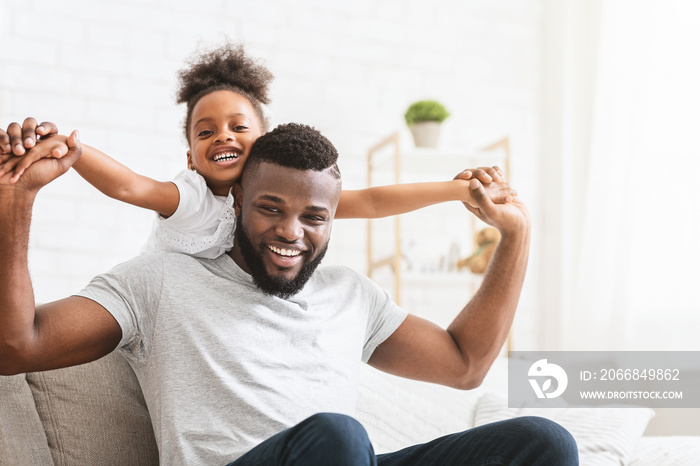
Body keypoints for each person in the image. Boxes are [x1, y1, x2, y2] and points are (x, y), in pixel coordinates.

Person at [0, 121, 578, 465]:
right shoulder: (161, 279)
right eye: (271, 209)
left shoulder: (352, 294)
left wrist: (516, 234)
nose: (291, 233)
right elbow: (17, 348)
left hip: (343, 459)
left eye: (314, 217)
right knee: (338, 434)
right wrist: (17, 200)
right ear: (237, 202)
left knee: (539, 442)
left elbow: (465, 364)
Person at [0, 43, 515, 259]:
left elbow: (372, 202)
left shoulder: (281, 194)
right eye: (204, 133)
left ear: (263, 142)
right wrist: (71, 149)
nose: (221, 136)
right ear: (189, 158)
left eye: (236, 127)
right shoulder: (192, 199)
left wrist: (458, 189)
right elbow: (130, 185)